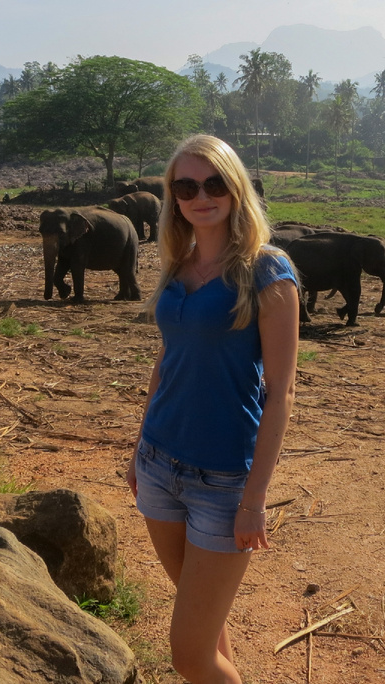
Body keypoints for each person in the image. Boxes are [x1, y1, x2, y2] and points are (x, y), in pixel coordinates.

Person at [126, 134, 299, 684]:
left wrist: (255, 499)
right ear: (173, 197)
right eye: (186, 186)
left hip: (222, 483)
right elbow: (166, 361)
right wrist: (138, 449)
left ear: (236, 188)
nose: (201, 196)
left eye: (214, 183)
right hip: (158, 465)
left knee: (188, 654)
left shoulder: (267, 271)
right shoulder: (177, 264)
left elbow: (281, 392)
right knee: (203, 627)